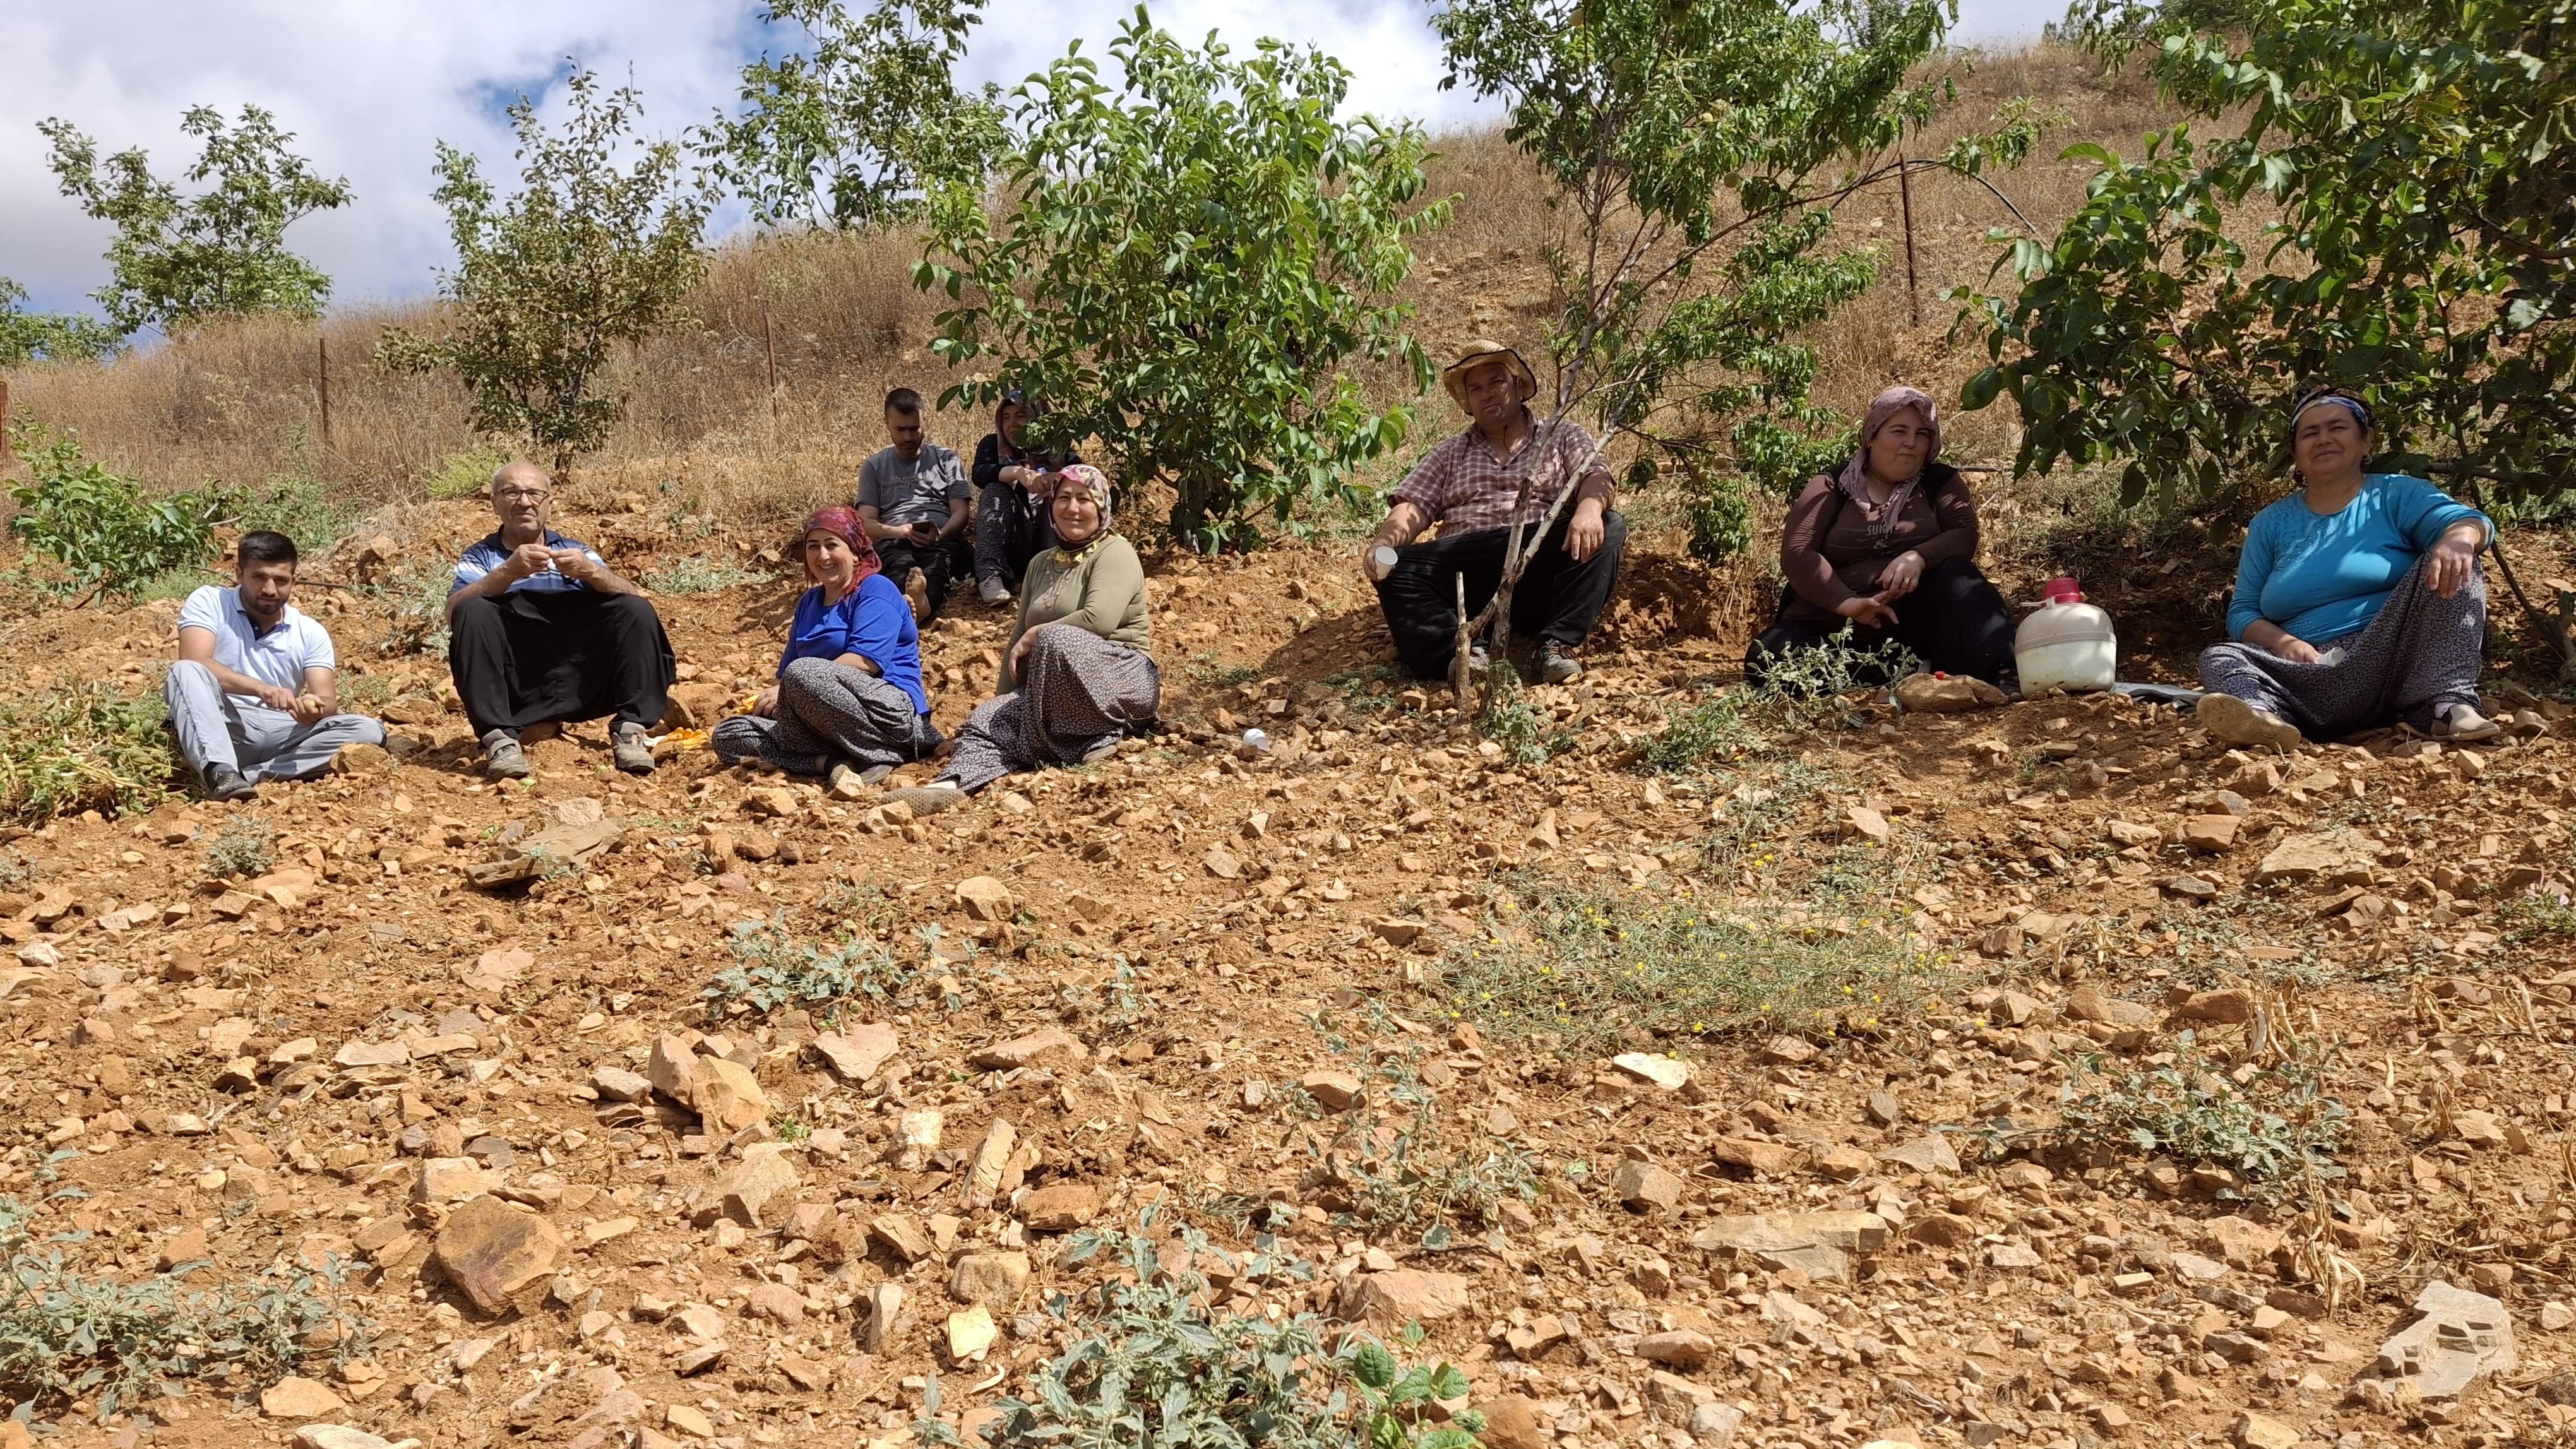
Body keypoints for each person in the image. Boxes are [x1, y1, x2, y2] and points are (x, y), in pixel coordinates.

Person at [2195, 391, 2498, 749]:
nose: (2323, 439)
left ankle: (2447, 705)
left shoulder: (2395, 494)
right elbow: (2243, 611)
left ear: (2366, 440)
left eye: (2337, 427)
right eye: (2309, 434)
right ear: (2296, 453)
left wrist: (2460, 539)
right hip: (2312, 672)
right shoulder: (2270, 524)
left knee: (2454, 561)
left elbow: (2470, 522)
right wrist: (2286, 644)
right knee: (2220, 656)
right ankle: (2265, 718)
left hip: (2395, 661)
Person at [886, 465, 1155, 814]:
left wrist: (1036, 634)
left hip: (1122, 680)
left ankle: (1096, 737)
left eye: (1084, 499)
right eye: (1063, 498)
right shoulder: (1041, 563)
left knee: (1058, 639)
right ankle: (951, 785)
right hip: (1054, 692)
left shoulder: (1115, 552)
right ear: (1051, 506)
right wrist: (1004, 702)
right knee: (987, 719)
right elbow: (1018, 637)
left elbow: (1098, 620)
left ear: (1101, 506)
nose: (1072, 508)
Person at [1363, 340, 1625, 684]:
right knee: (1397, 570)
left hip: (1539, 557)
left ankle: (1555, 646)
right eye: (1476, 389)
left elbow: (1596, 475)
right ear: (1468, 403)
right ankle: (1464, 653)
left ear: (1517, 386)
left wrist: (1589, 509)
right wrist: (1383, 544)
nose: (1487, 394)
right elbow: (1413, 507)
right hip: (1467, 566)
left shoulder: (1561, 435)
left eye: (1496, 382)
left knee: (1610, 525)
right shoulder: (1449, 454)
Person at [1744, 385, 2016, 690]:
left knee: (1961, 578)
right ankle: (1893, 676)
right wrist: (1847, 603)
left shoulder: (1939, 482)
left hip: (1910, 627)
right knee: (1768, 657)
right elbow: (1798, 552)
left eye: (1922, 434)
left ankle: (1997, 675)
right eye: (1898, 431)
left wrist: (1919, 556)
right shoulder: (1831, 485)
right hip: (1830, 628)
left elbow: (1964, 533)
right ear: (1871, 437)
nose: (1910, 444)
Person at [446, 462, 677, 780]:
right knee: (473, 610)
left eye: (534, 493)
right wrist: (507, 572)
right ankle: (500, 740)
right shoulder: (481, 556)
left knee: (635, 609)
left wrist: (591, 572)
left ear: (549, 503)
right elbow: (453, 612)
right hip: (518, 675)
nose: (524, 502)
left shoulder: (575, 550)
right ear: (495, 503)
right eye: (511, 493)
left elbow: (633, 596)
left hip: (579, 671)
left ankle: (631, 730)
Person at [711, 507, 940, 790]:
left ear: (855, 551)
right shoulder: (809, 602)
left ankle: (880, 750)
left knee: (803, 672)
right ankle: (833, 762)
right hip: (822, 721)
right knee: (731, 733)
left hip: (888, 713)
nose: (823, 556)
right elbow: (784, 676)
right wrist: (779, 699)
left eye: (832, 545)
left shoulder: (876, 590)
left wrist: (790, 688)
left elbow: (865, 662)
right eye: (813, 547)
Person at [164, 531, 385, 802]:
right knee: (185, 671)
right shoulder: (210, 601)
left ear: (294, 581)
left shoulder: (310, 631)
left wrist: (312, 706)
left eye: (281, 580)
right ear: (239, 574)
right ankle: (220, 771)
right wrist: (261, 689)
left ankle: (252, 775)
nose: (270, 589)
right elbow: (195, 659)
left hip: (284, 728)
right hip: (224, 722)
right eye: (259, 577)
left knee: (369, 730)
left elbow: (328, 701)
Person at [859, 387, 972, 623]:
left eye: (914, 428)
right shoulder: (874, 467)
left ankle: (920, 604)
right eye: (901, 429)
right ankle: (913, 605)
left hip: (943, 541)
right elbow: (866, 523)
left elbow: (961, 512)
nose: (909, 437)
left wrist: (940, 535)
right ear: (887, 423)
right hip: (894, 541)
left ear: (924, 421)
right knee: (898, 568)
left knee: (939, 568)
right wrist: (899, 532)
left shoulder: (946, 458)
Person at [970, 390, 1083, 607]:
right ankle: (990, 576)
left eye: (1021, 416)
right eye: (1006, 417)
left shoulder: (1059, 447)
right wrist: (1018, 473)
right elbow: (981, 473)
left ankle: (1053, 576)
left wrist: (1057, 479)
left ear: (1038, 419)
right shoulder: (993, 445)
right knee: (995, 490)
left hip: (1049, 541)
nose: (1012, 424)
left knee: (1061, 494)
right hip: (1014, 540)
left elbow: (1085, 475)